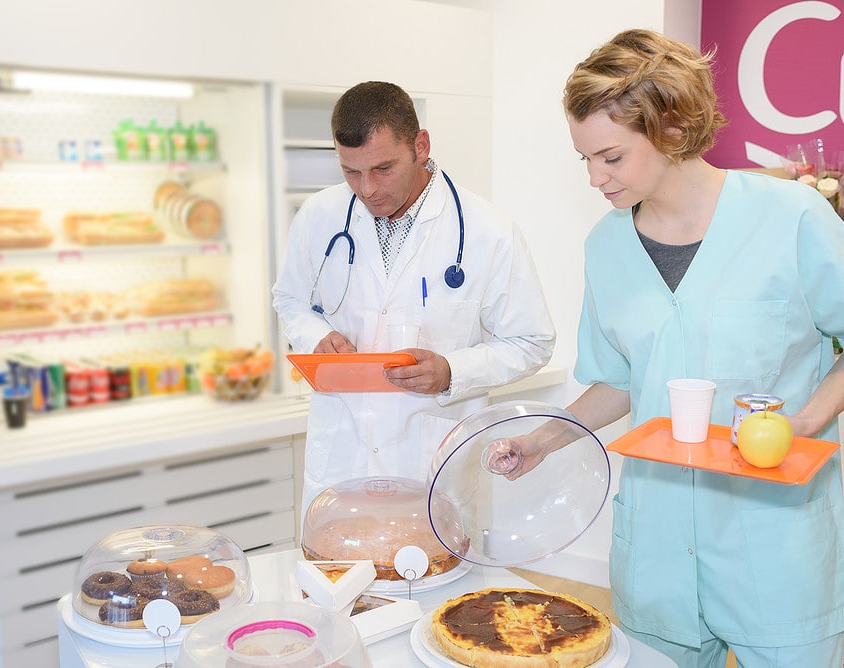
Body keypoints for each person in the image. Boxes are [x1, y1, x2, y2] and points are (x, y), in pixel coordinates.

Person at [558, 28, 844, 667]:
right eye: (584, 159)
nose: (594, 178)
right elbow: (619, 379)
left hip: (775, 548)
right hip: (656, 555)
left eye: (610, 157)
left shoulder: (791, 217)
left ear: (672, 128)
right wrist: (542, 436)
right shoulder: (605, 247)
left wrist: (806, 422)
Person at [272, 81, 555, 514]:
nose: (366, 189)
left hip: (431, 464)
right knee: (335, 576)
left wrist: (451, 371)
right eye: (351, 171)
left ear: (420, 146)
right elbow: (290, 299)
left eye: (383, 168)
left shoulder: (487, 231)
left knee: (434, 576)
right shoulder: (320, 216)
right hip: (341, 457)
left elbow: (532, 342)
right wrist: (315, 337)